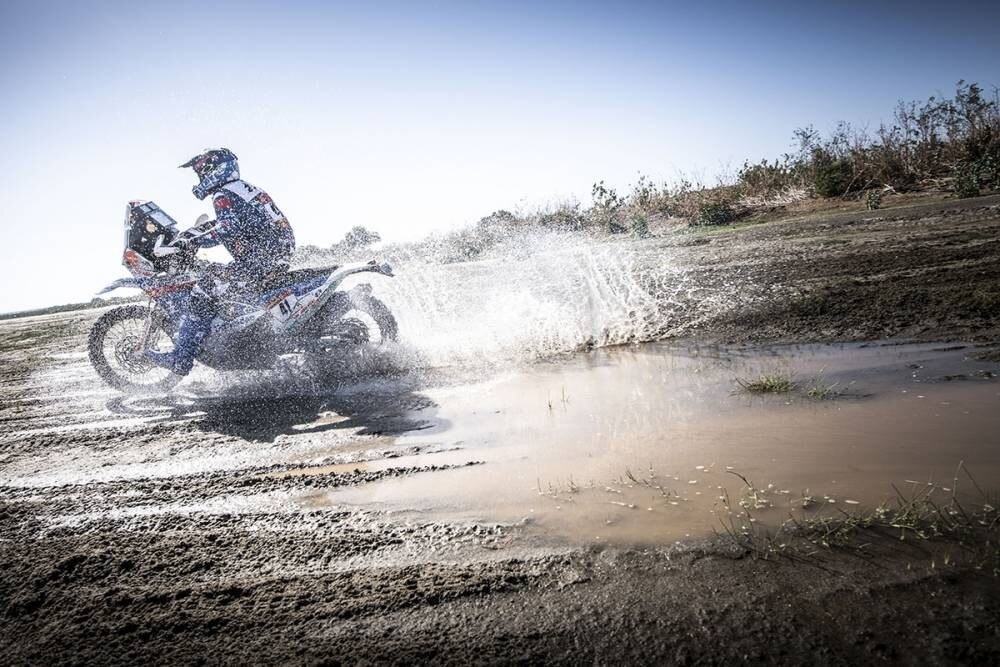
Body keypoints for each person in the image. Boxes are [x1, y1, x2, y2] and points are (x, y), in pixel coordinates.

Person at [145, 148, 296, 375]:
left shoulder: (222, 195)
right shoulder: (244, 189)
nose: (201, 177)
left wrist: (190, 243)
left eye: (203, 171)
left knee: (203, 289)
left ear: (217, 169)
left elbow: (226, 229)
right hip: (275, 255)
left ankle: (181, 358)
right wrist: (197, 233)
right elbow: (232, 223)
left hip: (259, 260)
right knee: (225, 285)